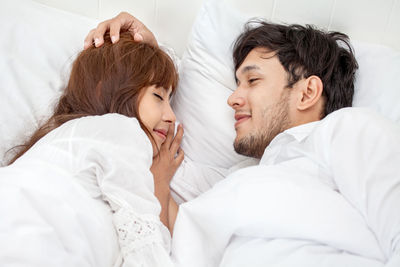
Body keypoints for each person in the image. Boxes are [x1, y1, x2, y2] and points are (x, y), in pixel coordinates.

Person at [87, 13, 400, 267]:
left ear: (307, 92)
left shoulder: (349, 130)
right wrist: (145, 65)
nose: (233, 99)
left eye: (252, 80)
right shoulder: (239, 177)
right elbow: (170, 214)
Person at [0, 32, 183, 267]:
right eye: (158, 96)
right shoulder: (121, 129)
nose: (171, 116)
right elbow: (149, 254)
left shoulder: (63, 140)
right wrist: (160, 182)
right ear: (106, 90)